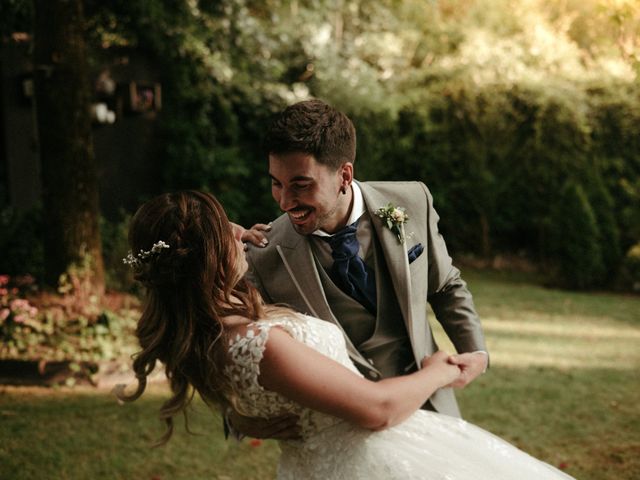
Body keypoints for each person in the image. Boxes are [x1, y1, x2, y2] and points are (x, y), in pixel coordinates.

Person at [115, 190, 573, 479]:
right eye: (227, 234)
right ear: (207, 259)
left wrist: (242, 419)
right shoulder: (259, 341)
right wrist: (438, 370)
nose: (242, 235)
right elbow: (376, 409)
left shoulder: (215, 329)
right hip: (364, 459)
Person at [232, 99, 486, 438]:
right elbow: (236, 346)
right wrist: (236, 418)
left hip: (432, 407)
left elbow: (445, 286)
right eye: (276, 183)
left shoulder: (411, 202)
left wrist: (476, 352)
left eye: (300, 184)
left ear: (344, 175)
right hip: (342, 431)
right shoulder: (264, 255)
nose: (284, 200)